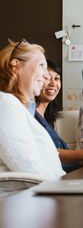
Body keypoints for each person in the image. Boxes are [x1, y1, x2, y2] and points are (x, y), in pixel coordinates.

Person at [0, 39, 64, 179]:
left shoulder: (22, 110)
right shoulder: (5, 103)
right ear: (15, 65)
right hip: (29, 196)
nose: (47, 75)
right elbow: (30, 169)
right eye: (41, 65)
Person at [35, 60, 83, 172]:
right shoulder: (31, 116)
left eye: (57, 78)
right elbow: (47, 155)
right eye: (46, 78)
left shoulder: (46, 118)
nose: (53, 83)